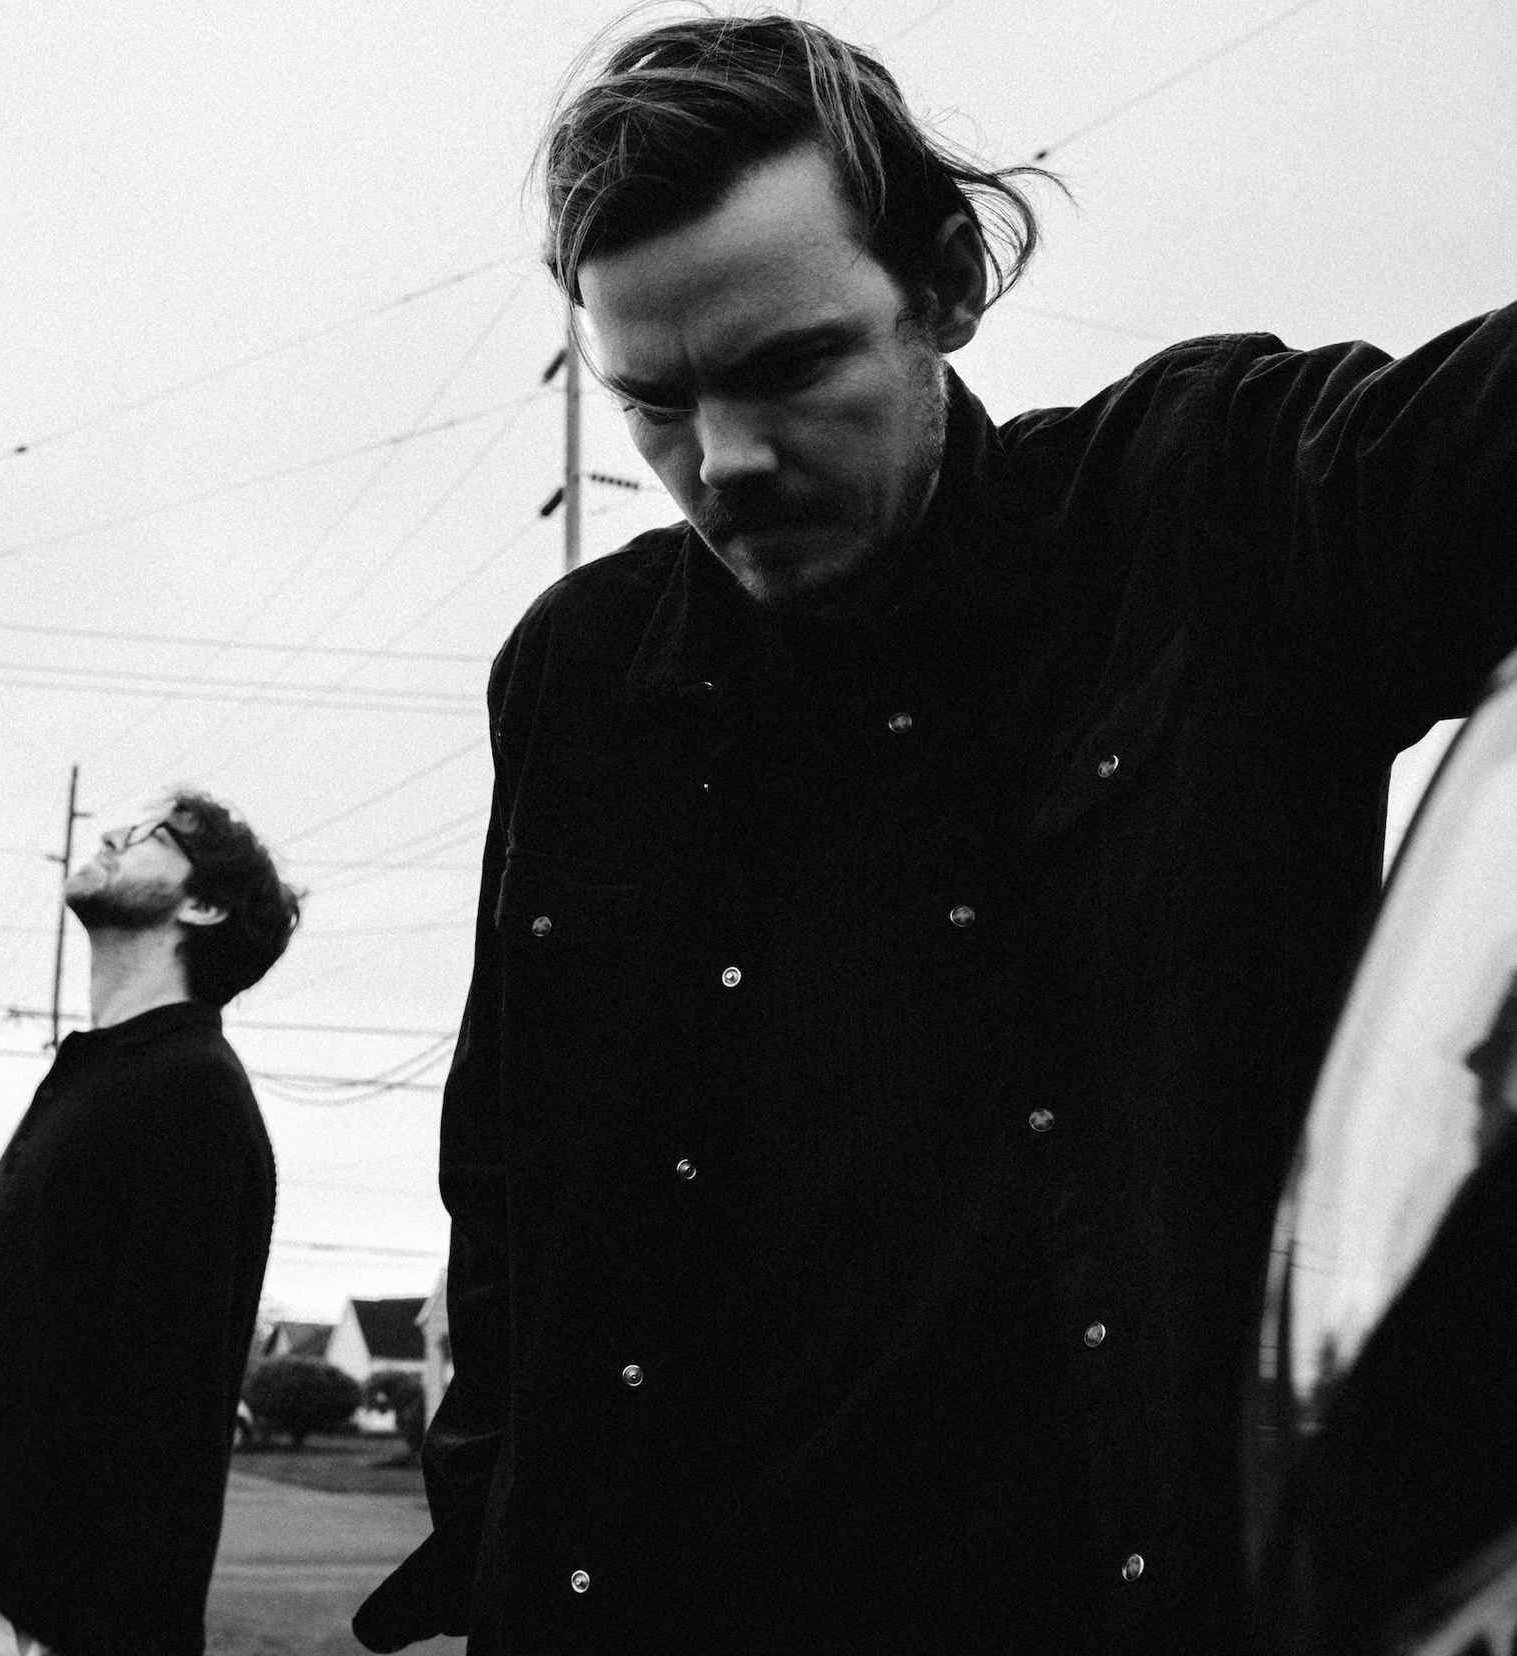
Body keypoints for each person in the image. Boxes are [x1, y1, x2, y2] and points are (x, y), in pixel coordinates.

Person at [352, 14, 1517, 1655]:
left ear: (952, 284)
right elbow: (514, 1187)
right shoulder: (581, 674)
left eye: (790, 367)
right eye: (657, 404)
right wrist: (483, 1547)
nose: (727, 463)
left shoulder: (1202, 519)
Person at [0, 792, 301, 1656]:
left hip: (68, 1612)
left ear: (202, 905)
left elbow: (170, 1406)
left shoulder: (193, 1095)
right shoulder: (106, 1074)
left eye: (155, 836)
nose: (113, 832)